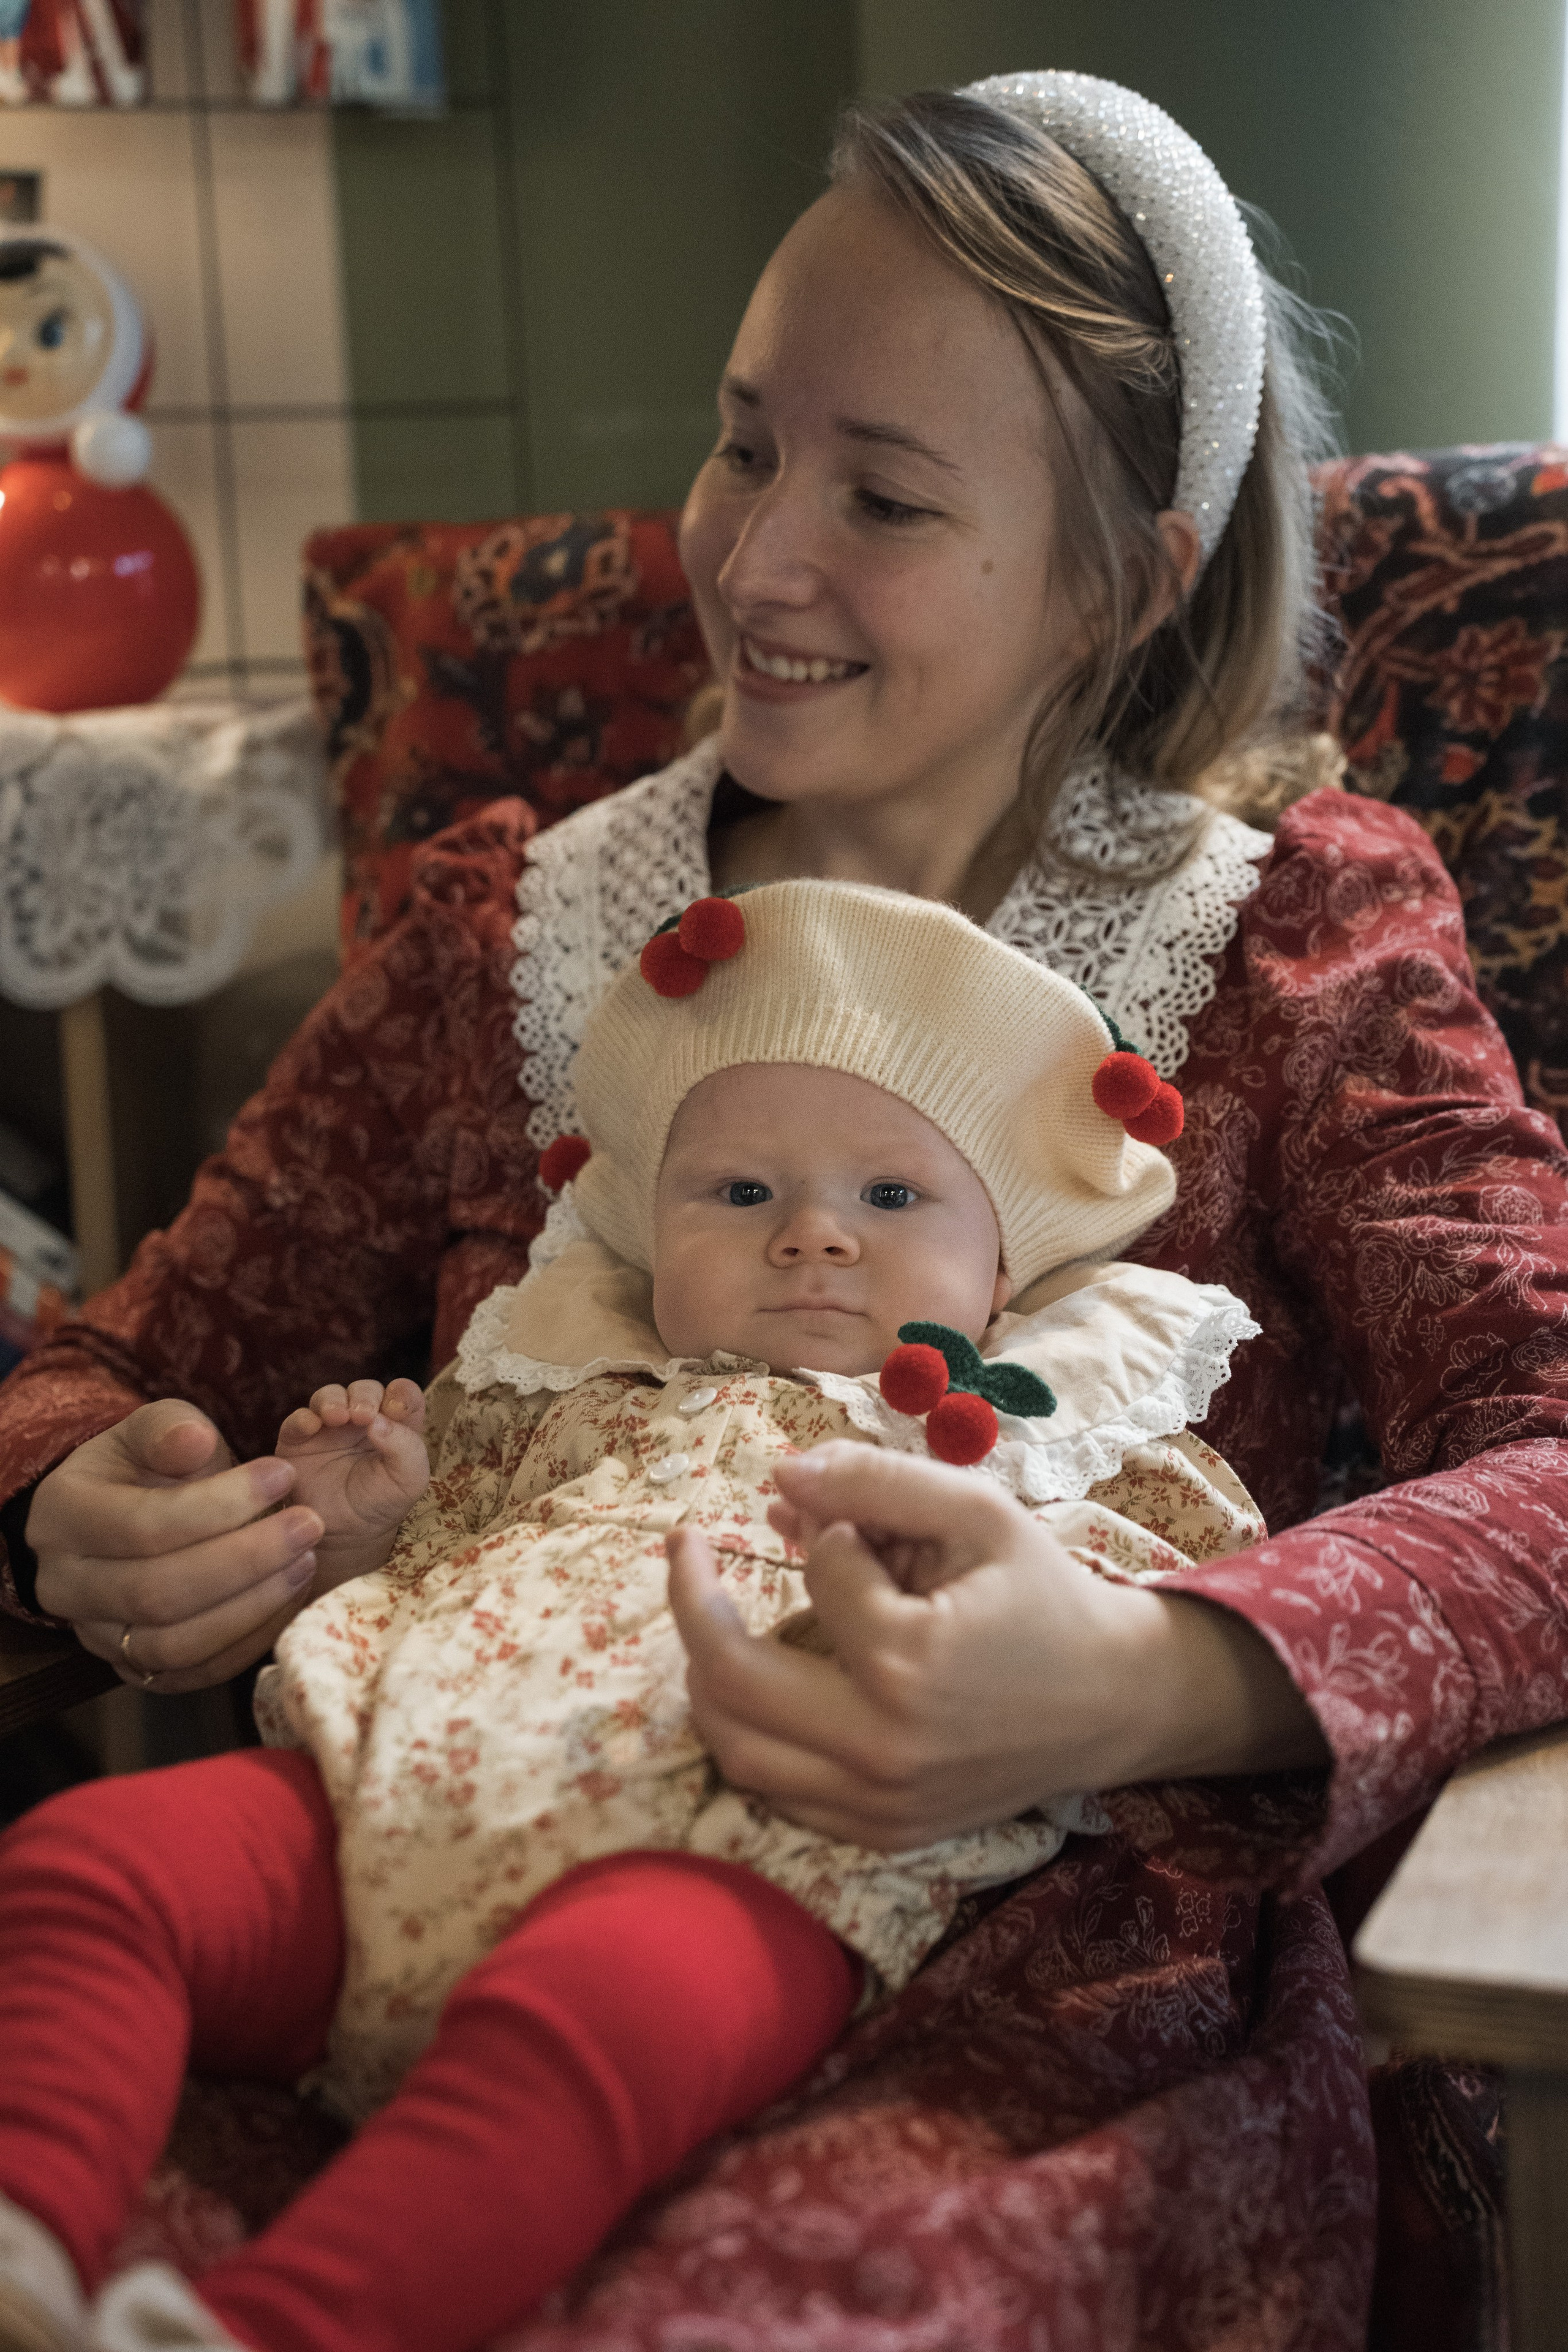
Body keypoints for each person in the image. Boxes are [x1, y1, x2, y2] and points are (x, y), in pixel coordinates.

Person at [0, 63, 1564, 2349]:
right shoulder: (499, 948)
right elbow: (109, 1369)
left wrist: (1156, 1673)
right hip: (403, 1896)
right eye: (746, 441)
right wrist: (80, 1500)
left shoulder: (1296, 950)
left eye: (888, 496)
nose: (754, 554)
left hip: (1023, 2002)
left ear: (1134, 571)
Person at [0, 880, 1265, 2352]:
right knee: (89, 1861)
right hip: (390, 1790)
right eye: (739, 1195)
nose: (810, 1238)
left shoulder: (1052, 1442)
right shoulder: (547, 1394)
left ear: (1003, 1271)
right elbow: (430, 1571)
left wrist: (1019, 1605)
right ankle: (27, 2224)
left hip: (752, 1856)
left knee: (594, 2030)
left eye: (890, 1196)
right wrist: (349, 1540)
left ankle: (284, 2326)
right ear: (649, 1239)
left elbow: (1173, 1610)